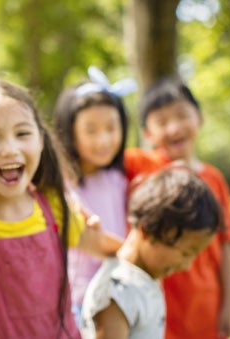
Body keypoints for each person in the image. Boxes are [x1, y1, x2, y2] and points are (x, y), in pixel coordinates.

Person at [0, 77, 122, 338]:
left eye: (22, 134)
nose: (10, 149)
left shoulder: (55, 205)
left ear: (41, 140)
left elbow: (106, 247)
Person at [124, 77, 230, 339]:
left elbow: (225, 245)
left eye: (181, 116)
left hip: (205, 302)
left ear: (199, 118)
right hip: (155, 300)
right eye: (162, 122)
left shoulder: (215, 179)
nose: (174, 127)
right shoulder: (141, 164)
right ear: (147, 133)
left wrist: (229, 304)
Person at [81, 166, 223, 339]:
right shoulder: (116, 294)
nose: (187, 266)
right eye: (185, 253)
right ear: (147, 229)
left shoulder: (145, 279)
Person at [52, 66, 136, 327]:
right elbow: (90, 242)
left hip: (119, 297)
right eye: (91, 130)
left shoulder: (119, 179)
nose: (103, 140)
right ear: (70, 131)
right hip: (78, 303)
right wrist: (138, 257)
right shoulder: (61, 186)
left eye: (112, 128)